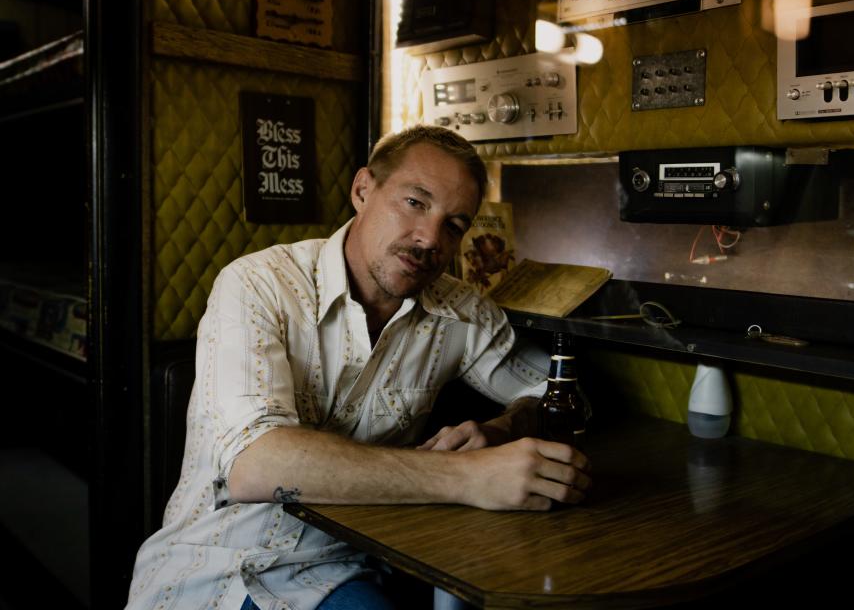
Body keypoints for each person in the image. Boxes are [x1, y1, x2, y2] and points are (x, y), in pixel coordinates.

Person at [126, 125, 592, 610]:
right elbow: (256, 465)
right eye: (415, 202)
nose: (429, 238)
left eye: (454, 224)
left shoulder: (462, 313)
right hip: (216, 567)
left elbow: (560, 393)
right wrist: (467, 475)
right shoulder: (258, 284)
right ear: (363, 190)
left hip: (350, 561)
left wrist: (503, 427)